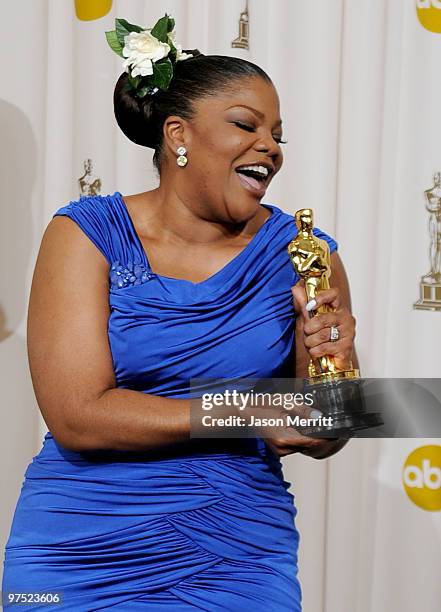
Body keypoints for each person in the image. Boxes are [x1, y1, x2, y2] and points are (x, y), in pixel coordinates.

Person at [2, 16, 358, 611]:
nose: (269, 147)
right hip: (79, 547)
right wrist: (247, 410)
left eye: (278, 135)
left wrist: (335, 370)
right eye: (246, 125)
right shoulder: (85, 234)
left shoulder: (305, 254)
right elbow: (77, 417)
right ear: (176, 134)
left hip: (238, 552)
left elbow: (322, 432)